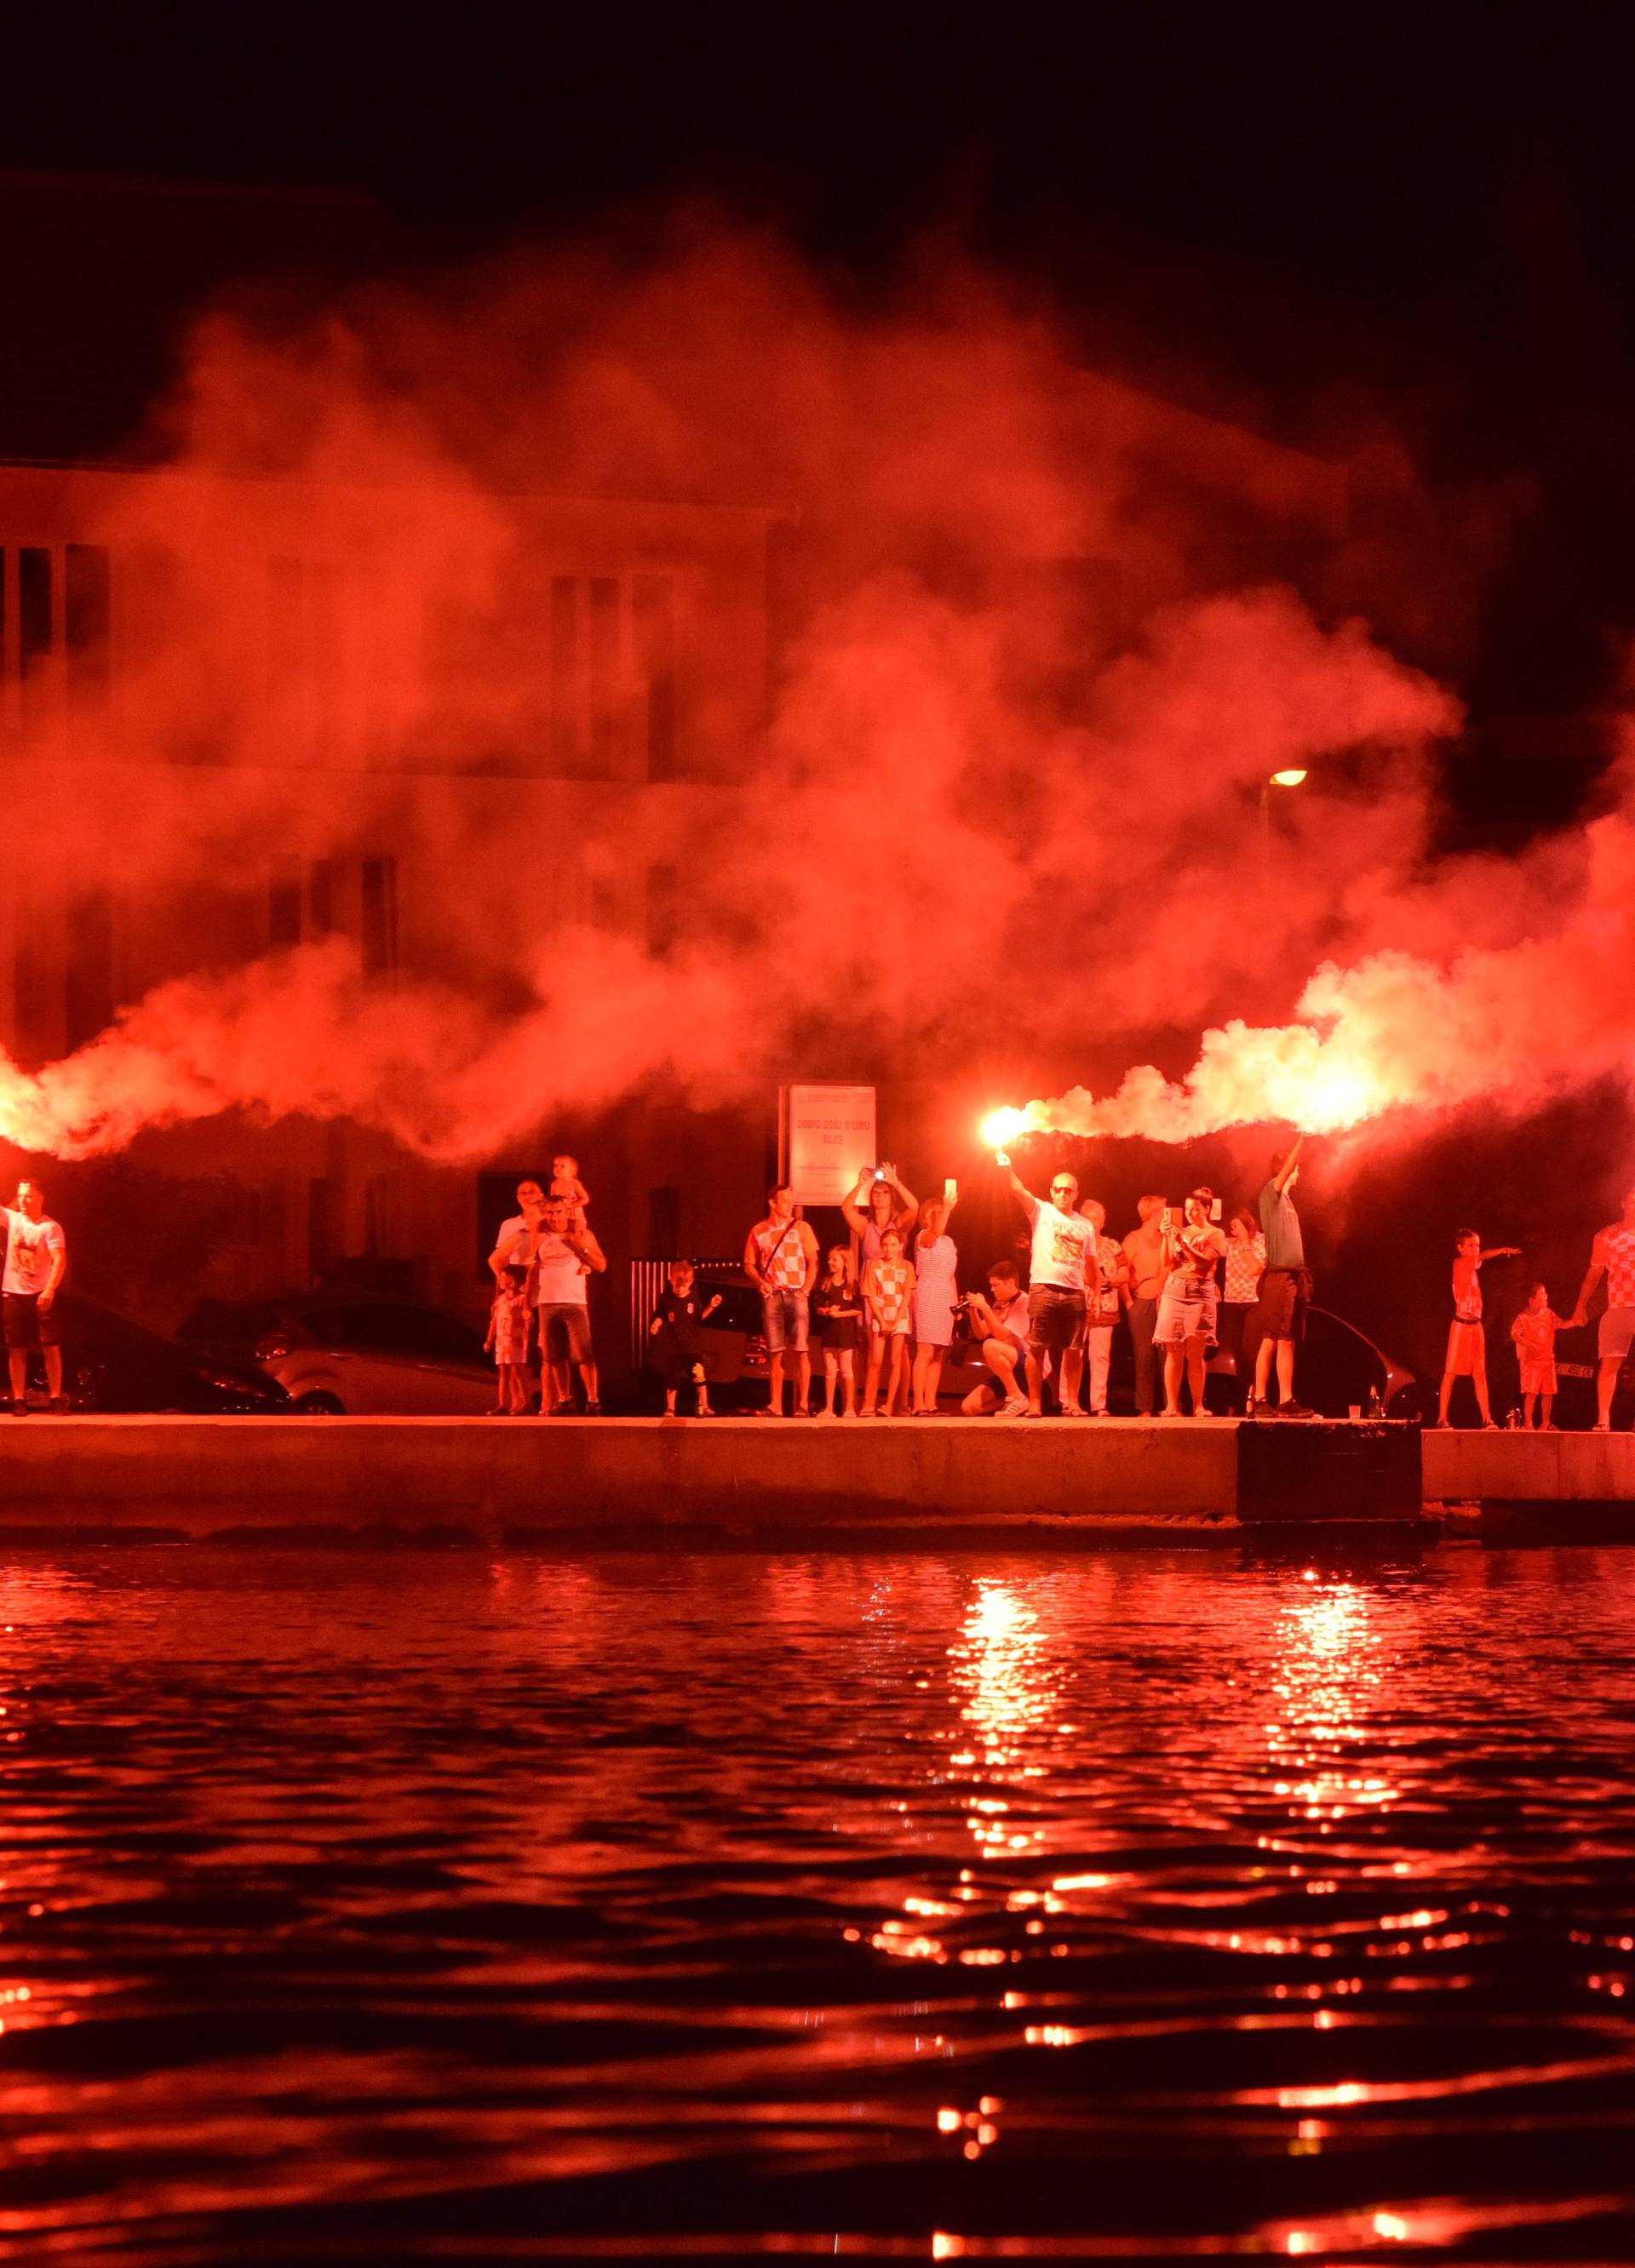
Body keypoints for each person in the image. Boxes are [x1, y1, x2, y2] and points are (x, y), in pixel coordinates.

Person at [996, 1150, 1093, 1418]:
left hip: (1075, 1292)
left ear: (1076, 1193)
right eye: (1058, 1189)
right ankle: (1035, 1402)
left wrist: (1092, 1289)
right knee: (1037, 1348)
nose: (1063, 1193)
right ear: (1051, 1192)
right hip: (1044, 1289)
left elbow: (1092, 1261)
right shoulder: (1041, 1210)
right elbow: (1018, 1190)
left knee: (1074, 1351)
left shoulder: (1085, 1224)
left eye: (1068, 1190)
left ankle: (1073, 1403)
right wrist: (1007, 1168)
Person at [842, 1164, 918, 1412]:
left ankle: (901, 1403)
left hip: (897, 1291)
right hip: (872, 1290)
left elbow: (914, 1207)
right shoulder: (866, 1225)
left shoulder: (900, 1223)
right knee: (872, 1349)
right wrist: (861, 1183)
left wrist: (896, 1182)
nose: (880, 1196)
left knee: (900, 1351)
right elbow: (846, 1208)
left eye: (885, 1192)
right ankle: (869, 1402)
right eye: (876, 1193)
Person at [521, 1196, 607, 1413]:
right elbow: (532, 1270)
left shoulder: (581, 1234)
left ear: (566, 1211)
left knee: (583, 1355)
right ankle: (564, 1398)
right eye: (549, 1212)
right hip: (547, 1303)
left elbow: (602, 1265)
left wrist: (581, 1247)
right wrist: (526, 1304)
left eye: (558, 1212)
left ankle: (593, 1400)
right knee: (554, 1356)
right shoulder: (540, 1236)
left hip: (574, 1302)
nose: (554, 1217)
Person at [1252, 1137, 1314, 1418]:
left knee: (1282, 1339)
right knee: (1275, 1339)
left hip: (1291, 1278)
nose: (1298, 1174)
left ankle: (1281, 1399)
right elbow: (1287, 1170)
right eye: (1296, 1168)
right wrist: (1302, 1139)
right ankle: (1268, 1399)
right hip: (1278, 1277)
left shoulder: (1286, 1201)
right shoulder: (1270, 1194)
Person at [1435, 1228, 1521, 1429]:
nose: (1476, 1249)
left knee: (1480, 1374)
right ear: (1460, 1248)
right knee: (1451, 1372)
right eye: (1471, 1245)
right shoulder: (1460, 1264)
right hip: (1461, 1326)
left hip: (1476, 1326)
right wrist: (1501, 1250)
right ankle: (1441, 1418)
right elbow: (1483, 1256)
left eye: (1477, 1245)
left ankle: (1486, 1418)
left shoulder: (1472, 1271)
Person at [745, 1185, 818, 1417]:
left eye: (791, 1200)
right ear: (773, 1203)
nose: (790, 1204)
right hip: (772, 1294)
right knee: (775, 1351)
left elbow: (813, 1261)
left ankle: (803, 1405)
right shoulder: (758, 1230)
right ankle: (776, 1405)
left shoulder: (801, 1228)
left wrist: (805, 1290)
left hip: (796, 1292)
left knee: (801, 1349)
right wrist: (760, 1283)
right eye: (785, 1200)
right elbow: (748, 1264)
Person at [1155, 1189, 1228, 1418]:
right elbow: (1166, 1262)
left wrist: (1183, 1244)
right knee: (1173, 1351)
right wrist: (1167, 1238)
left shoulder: (1215, 1233)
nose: (1191, 1213)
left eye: (1196, 1208)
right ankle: (1171, 1406)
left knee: (1195, 1354)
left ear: (1207, 1209)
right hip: (1174, 1288)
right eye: (1187, 1208)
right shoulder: (1180, 1231)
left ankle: (1198, 1405)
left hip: (1199, 1291)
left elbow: (1204, 1262)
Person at [1568, 1186, 1635, 1431]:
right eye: (1632, 1202)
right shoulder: (1606, 1236)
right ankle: (1603, 1418)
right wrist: (1580, 1307)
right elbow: (1594, 1274)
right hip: (1618, 1307)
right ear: (1623, 1204)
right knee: (1609, 1364)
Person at [1, 1180, 66, 1414]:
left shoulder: (50, 1227)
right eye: (20, 1196)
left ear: (41, 1198)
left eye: (29, 1196)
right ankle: (19, 1400)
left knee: (50, 1346)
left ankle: (56, 1398)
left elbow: (59, 1259)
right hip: (13, 1294)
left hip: (41, 1295)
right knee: (16, 1349)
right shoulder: (13, 1218)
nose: (24, 1201)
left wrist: (50, 1289)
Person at [648, 1260, 721, 1417]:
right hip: (673, 1349)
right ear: (671, 1281)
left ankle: (706, 1406)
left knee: (699, 1378)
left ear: (690, 1282)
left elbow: (699, 1318)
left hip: (692, 1347)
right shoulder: (666, 1299)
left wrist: (712, 1306)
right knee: (672, 1380)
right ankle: (670, 1408)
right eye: (677, 1286)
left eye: (684, 1286)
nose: (680, 1289)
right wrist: (656, 1324)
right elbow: (661, 1316)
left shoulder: (693, 1298)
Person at [910, 1191, 961, 1414]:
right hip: (928, 1291)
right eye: (936, 1212)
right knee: (925, 1351)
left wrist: (956, 1304)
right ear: (926, 1216)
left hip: (944, 1295)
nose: (940, 1216)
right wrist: (949, 1207)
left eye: (943, 1212)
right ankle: (918, 1403)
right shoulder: (923, 1236)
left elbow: (951, 1274)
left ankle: (930, 1403)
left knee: (939, 1353)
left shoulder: (949, 1242)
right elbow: (935, 1233)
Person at [960, 1262, 1031, 1416]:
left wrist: (985, 1307)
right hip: (1008, 1367)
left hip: (1027, 1366)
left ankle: (1017, 1397)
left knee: (991, 1346)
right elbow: (981, 1334)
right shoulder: (1000, 1303)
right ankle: (1022, 1401)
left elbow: (1002, 1335)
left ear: (1011, 1282)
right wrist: (973, 1312)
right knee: (969, 1407)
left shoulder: (1024, 1301)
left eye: (996, 1285)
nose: (992, 1289)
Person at [1078, 1199, 1127, 1416]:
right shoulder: (1074, 1245)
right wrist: (1091, 1280)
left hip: (1105, 1308)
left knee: (1100, 1357)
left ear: (1103, 1222)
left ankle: (1099, 1405)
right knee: (1073, 1354)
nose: (1094, 1223)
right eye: (1089, 1219)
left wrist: (1110, 1281)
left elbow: (1125, 1274)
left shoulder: (1113, 1246)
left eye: (1098, 1219)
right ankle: (1067, 1402)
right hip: (1078, 1307)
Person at [1122, 1195, 1169, 1417]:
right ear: (1155, 1214)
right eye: (1163, 1211)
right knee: (1144, 1356)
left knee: (1168, 1355)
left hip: (1167, 1302)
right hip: (1142, 1302)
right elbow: (1120, 1270)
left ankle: (1172, 1404)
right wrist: (1129, 1302)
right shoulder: (1134, 1239)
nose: (1165, 1215)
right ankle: (1145, 1408)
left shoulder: (1166, 1238)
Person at [862, 1225, 915, 1416]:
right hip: (880, 1316)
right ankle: (868, 1404)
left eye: (893, 1245)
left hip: (899, 1318)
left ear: (900, 1246)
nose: (889, 1249)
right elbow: (869, 1295)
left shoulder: (907, 1266)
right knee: (876, 1360)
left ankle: (890, 1404)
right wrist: (882, 1321)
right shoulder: (874, 1265)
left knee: (895, 1361)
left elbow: (907, 1296)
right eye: (885, 1245)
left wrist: (897, 1320)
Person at [1219, 1203, 1266, 1393]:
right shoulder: (1229, 1243)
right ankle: (1244, 1398)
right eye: (1231, 1227)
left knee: (1250, 1351)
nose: (1234, 1230)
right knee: (1238, 1354)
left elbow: (1256, 1269)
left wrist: (1246, 1242)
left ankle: (1257, 1395)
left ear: (1247, 1223)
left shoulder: (1262, 1241)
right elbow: (1210, 1250)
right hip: (1232, 1303)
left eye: (1236, 1226)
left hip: (1254, 1301)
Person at [812, 1246, 864, 1417]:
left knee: (846, 1370)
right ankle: (829, 1408)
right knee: (829, 1370)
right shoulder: (824, 1283)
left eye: (835, 1259)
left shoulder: (852, 1285)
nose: (830, 1262)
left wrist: (840, 1314)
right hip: (829, 1333)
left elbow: (858, 1309)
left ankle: (849, 1408)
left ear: (845, 1262)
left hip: (846, 1334)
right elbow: (817, 1306)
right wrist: (826, 1311)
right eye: (829, 1259)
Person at [1511, 1282, 1564, 1432]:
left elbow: (1561, 1324)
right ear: (1531, 1300)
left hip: (1548, 1360)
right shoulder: (1524, 1317)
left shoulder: (1548, 1313)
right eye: (1541, 1293)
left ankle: (1545, 1423)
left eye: (1545, 1293)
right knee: (1532, 1393)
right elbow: (1514, 1334)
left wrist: (1575, 1321)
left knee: (1548, 1392)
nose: (1545, 1296)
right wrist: (1530, 1344)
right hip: (1532, 1362)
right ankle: (1528, 1423)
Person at [484, 1264, 533, 1415]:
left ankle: (526, 1403)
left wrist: (528, 1319)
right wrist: (489, 1340)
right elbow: (494, 1321)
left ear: (512, 1282)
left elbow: (528, 1317)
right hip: (502, 1342)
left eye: (503, 1278)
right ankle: (503, 1404)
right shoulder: (500, 1300)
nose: (500, 1281)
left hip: (516, 1341)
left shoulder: (521, 1300)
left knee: (517, 1371)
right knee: (503, 1372)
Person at [487, 1177, 547, 1282]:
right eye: (522, 1193)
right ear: (518, 1197)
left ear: (541, 1196)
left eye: (531, 1192)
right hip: (521, 1277)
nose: (527, 1196)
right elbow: (500, 1259)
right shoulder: (509, 1225)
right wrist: (505, 1282)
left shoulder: (549, 1224)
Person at [550, 1154, 591, 1230]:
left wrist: (571, 1205)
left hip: (575, 1217)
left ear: (571, 1170)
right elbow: (552, 1202)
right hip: (561, 1218)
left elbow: (585, 1199)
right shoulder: (554, 1185)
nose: (558, 1168)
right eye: (556, 1165)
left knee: (577, 1232)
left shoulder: (574, 1183)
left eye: (562, 1166)